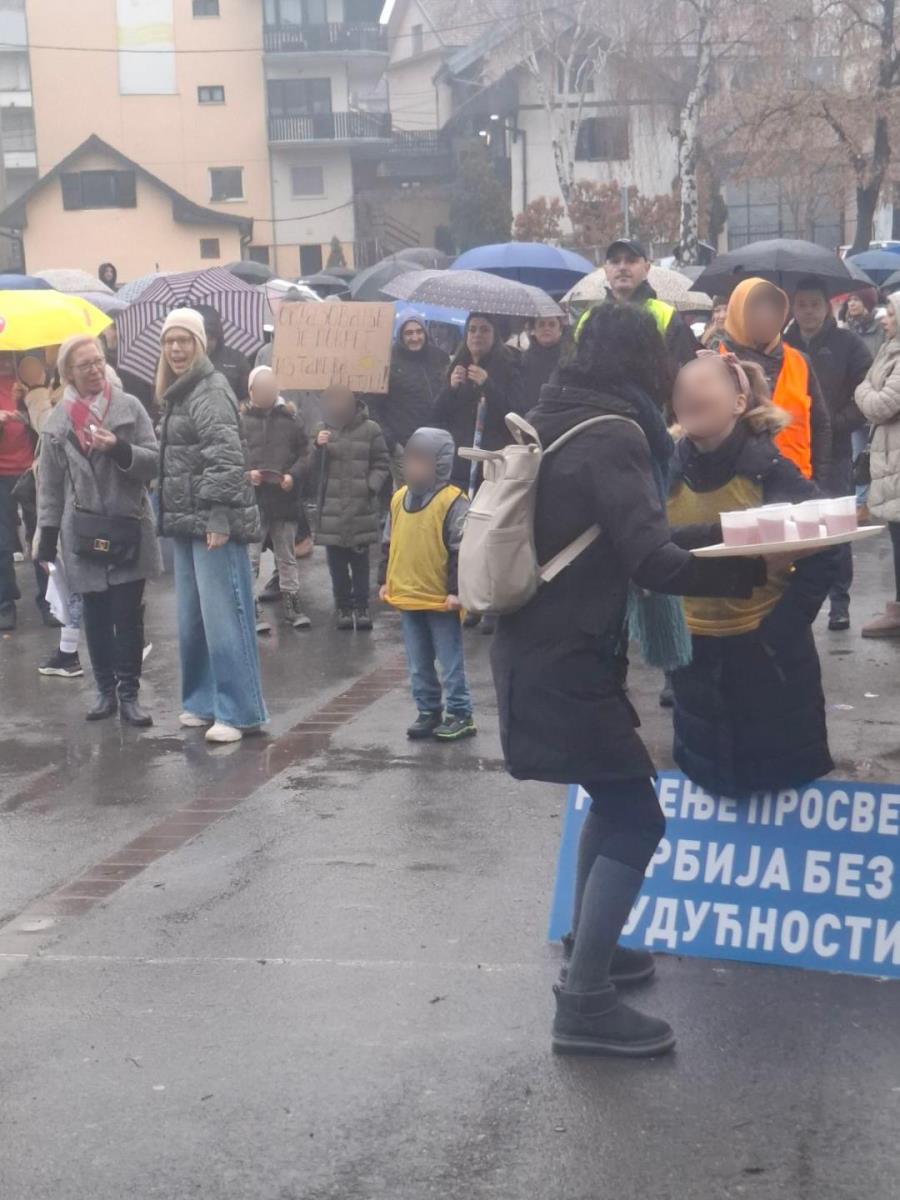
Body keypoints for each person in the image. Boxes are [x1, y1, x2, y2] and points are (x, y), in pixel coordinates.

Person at [490, 303, 772, 1058]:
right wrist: (747, 571)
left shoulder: (557, 412)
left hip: (537, 645)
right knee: (638, 815)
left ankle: (593, 943)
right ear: (644, 362)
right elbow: (649, 558)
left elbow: (626, 535)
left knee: (608, 794)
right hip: (570, 658)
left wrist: (723, 534)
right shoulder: (616, 433)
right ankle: (584, 1003)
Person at [667, 352, 835, 796]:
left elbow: (828, 552)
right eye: (682, 386)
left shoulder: (772, 471)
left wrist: (778, 633)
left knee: (778, 788)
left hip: (768, 658)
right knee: (710, 784)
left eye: (704, 382)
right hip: (692, 657)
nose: (690, 393)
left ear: (739, 402)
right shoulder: (664, 471)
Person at [156, 308, 267, 744]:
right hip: (187, 521)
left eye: (184, 340)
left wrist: (218, 516)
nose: (176, 348)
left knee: (225, 616)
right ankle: (202, 701)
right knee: (194, 619)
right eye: (170, 341)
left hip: (212, 520)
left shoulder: (211, 388)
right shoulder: (178, 391)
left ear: (201, 344)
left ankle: (241, 711)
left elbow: (225, 455)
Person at [36, 336, 160, 725]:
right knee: (95, 613)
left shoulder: (129, 407)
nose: (94, 369)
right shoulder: (56, 423)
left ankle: (129, 694)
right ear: (68, 373)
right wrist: (47, 539)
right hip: (82, 533)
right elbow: (51, 488)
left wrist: (119, 449)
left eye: (99, 361)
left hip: (128, 527)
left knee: (127, 614)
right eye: (85, 364)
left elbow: (155, 462)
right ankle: (104, 691)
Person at [784, 276, 871, 630]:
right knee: (792, 525)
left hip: (833, 449)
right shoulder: (783, 343)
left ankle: (839, 601)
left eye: (815, 304)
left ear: (828, 306)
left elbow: (865, 394)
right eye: (801, 304)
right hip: (791, 449)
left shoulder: (847, 344)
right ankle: (795, 600)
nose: (808, 311)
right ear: (792, 307)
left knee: (836, 525)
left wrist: (835, 423)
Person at [379, 427, 474, 741]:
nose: (414, 468)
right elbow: (389, 543)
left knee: (449, 661)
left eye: (423, 462)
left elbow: (461, 550)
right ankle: (427, 710)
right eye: (411, 461)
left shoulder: (453, 502)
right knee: (418, 662)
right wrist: (384, 581)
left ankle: (460, 712)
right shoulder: (398, 499)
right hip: (407, 595)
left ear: (441, 464)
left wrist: (456, 592)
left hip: (439, 600)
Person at [721, 278, 832, 484]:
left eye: (773, 307)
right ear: (737, 312)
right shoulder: (716, 361)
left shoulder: (799, 361)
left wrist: (819, 481)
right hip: (736, 489)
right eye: (755, 307)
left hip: (797, 486)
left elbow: (821, 425)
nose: (766, 315)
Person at [313, 383, 390, 630]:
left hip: (360, 509)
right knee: (336, 566)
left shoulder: (370, 429)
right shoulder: (321, 430)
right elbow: (311, 470)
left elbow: (381, 462)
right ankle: (343, 607)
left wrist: (370, 487)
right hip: (332, 511)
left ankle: (362, 607)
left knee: (360, 564)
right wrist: (318, 448)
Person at [241, 365, 311, 632]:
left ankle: (292, 604)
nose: (266, 393)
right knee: (251, 558)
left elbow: (306, 455)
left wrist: (293, 476)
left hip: (284, 500)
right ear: (251, 392)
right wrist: (247, 475)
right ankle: (251, 607)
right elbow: (231, 458)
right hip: (254, 501)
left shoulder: (291, 421)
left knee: (287, 557)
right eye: (260, 389)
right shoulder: (241, 422)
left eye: (270, 388)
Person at [433, 313, 524, 492]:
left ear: (494, 335)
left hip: (491, 461)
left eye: (484, 330)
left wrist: (487, 385)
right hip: (459, 460)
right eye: (472, 330)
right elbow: (437, 414)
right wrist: (450, 389)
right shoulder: (457, 366)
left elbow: (515, 412)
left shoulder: (509, 366)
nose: (477, 335)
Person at [855, 293, 900, 637]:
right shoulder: (890, 349)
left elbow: (881, 403)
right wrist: (867, 389)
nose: (885, 317)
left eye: (892, 312)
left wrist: (864, 393)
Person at [583, 237, 698, 369]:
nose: (622, 267)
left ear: (646, 268)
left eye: (631, 261)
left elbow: (687, 371)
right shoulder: (588, 319)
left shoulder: (667, 316)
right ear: (606, 270)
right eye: (615, 261)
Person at [369, 312, 449, 486]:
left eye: (419, 331)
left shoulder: (439, 358)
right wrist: (392, 443)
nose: (415, 337)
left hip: (438, 444)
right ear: (400, 335)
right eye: (409, 333)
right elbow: (373, 407)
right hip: (405, 447)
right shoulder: (387, 361)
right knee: (410, 500)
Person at [0, 352, 37, 630]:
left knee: (42, 537)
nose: (4, 362)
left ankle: (49, 600)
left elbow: (47, 424)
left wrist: (29, 409)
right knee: (2, 541)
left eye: (8, 356)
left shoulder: (31, 381)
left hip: (32, 470)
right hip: (1, 473)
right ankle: (5, 603)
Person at [195, 305, 251, 402]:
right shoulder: (181, 360)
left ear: (218, 337)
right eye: (202, 338)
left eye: (211, 339)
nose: (206, 344)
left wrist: (242, 406)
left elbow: (249, 394)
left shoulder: (236, 360)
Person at [520, 315, 568, 412]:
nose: (546, 328)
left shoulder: (568, 358)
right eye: (541, 325)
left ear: (560, 329)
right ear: (534, 329)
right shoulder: (523, 360)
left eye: (552, 324)